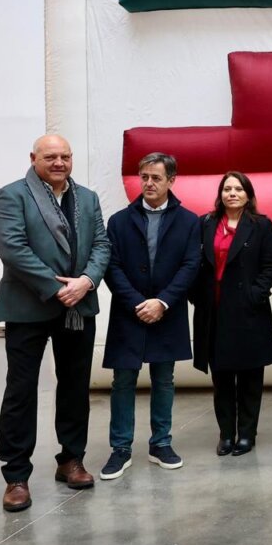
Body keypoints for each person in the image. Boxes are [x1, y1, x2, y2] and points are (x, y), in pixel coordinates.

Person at [0, 135, 110, 512]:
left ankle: (71, 460)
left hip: (79, 304)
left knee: (76, 385)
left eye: (65, 156)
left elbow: (102, 246)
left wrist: (87, 281)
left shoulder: (88, 198)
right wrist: (56, 288)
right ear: (33, 158)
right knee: (21, 391)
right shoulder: (10, 196)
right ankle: (16, 476)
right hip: (28, 307)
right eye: (50, 156)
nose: (59, 162)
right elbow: (13, 249)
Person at [100, 152, 201, 480]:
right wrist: (137, 303)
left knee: (164, 380)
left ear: (171, 180)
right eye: (144, 177)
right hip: (129, 314)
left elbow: (190, 266)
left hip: (167, 314)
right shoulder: (118, 221)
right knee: (123, 380)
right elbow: (111, 267)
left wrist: (163, 302)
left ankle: (161, 444)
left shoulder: (189, 221)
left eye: (156, 177)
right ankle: (121, 448)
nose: (149, 183)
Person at [191, 171, 272, 457]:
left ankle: (247, 434)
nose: (232, 193)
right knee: (223, 379)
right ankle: (226, 434)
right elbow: (194, 263)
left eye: (238, 189)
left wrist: (255, 294)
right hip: (214, 312)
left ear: (247, 194)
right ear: (220, 194)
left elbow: (270, 265)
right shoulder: (205, 223)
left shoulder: (261, 225)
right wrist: (197, 296)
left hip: (249, 311)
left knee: (251, 378)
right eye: (227, 189)